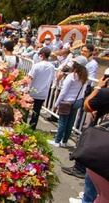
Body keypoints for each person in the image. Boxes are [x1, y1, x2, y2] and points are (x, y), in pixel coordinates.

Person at [68, 71, 109, 203]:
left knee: (94, 177)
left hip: (100, 143)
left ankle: (87, 199)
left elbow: (87, 105)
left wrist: (98, 87)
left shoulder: (104, 93)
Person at [49, 56, 88, 147]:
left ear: (76, 65)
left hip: (67, 101)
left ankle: (57, 141)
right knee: (70, 122)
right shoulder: (84, 76)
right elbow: (83, 91)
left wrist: (56, 103)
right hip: (77, 101)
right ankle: (64, 142)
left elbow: (63, 92)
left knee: (62, 122)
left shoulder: (71, 76)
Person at [27, 47, 55, 130]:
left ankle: (24, 126)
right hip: (43, 92)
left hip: (33, 91)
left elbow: (30, 77)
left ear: (42, 55)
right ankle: (32, 127)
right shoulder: (52, 66)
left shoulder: (36, 65)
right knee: (37, 111)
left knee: (26, 109)